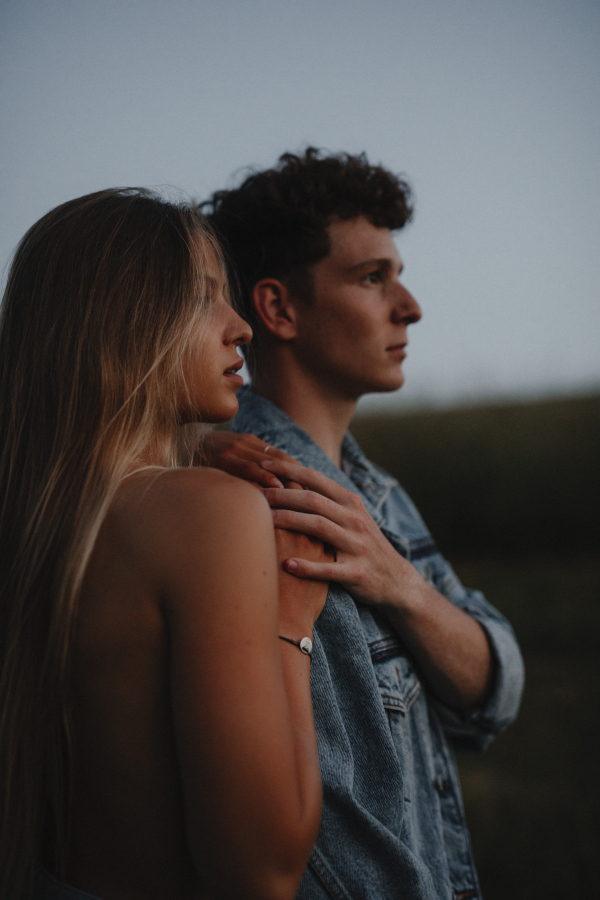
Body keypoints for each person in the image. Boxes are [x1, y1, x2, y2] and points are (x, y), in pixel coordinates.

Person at [199, 148, 525, 900]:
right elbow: (331, 828)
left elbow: (493, 694)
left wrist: (403, 585)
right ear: (277, 310)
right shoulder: (270, 501)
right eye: (372, 277)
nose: (408, 306)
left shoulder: (370, 497)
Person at [0, 188, 327, 900]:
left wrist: (197, 450)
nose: (241, 326)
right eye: (204, 295)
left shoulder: (37, 523)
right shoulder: (207, 516)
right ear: (123, 318)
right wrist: (292, 626)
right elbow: (262, 875)